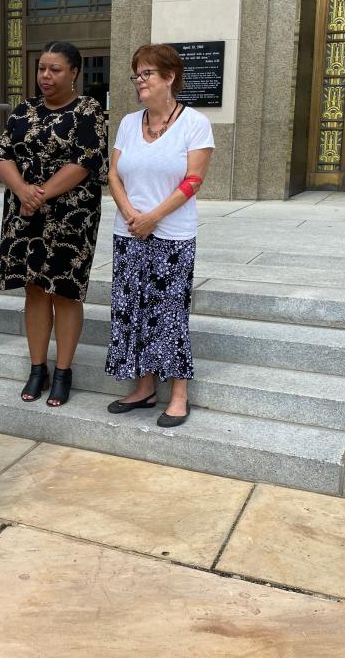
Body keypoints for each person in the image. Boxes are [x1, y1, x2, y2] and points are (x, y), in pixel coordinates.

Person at [104, 43, 214, 428]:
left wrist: (153, 217)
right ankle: (144, 387)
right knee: (131, 309)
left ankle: (178, 394)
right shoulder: (128, 123)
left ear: (170, 77)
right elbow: (113, 174)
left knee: (168, 313)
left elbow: (194, 180)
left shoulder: (194, 123)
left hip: (171, 234)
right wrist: (132, 214)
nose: (140, 82)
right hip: (129, 231)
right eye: (137, 74)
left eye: (147, 74)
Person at [0, 41, 107, 408]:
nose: (45, 75)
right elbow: (3, 156)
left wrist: (38, 195)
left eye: (54, 69)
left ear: (74, 72)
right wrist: (23, 191)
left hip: (71, 217)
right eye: (42, 68)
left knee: (65, 291)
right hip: (24, 215)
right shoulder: (23, 110)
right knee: (34, 289)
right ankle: (37, 367)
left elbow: (85, 161)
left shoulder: (89, 111)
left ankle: (63, 371)